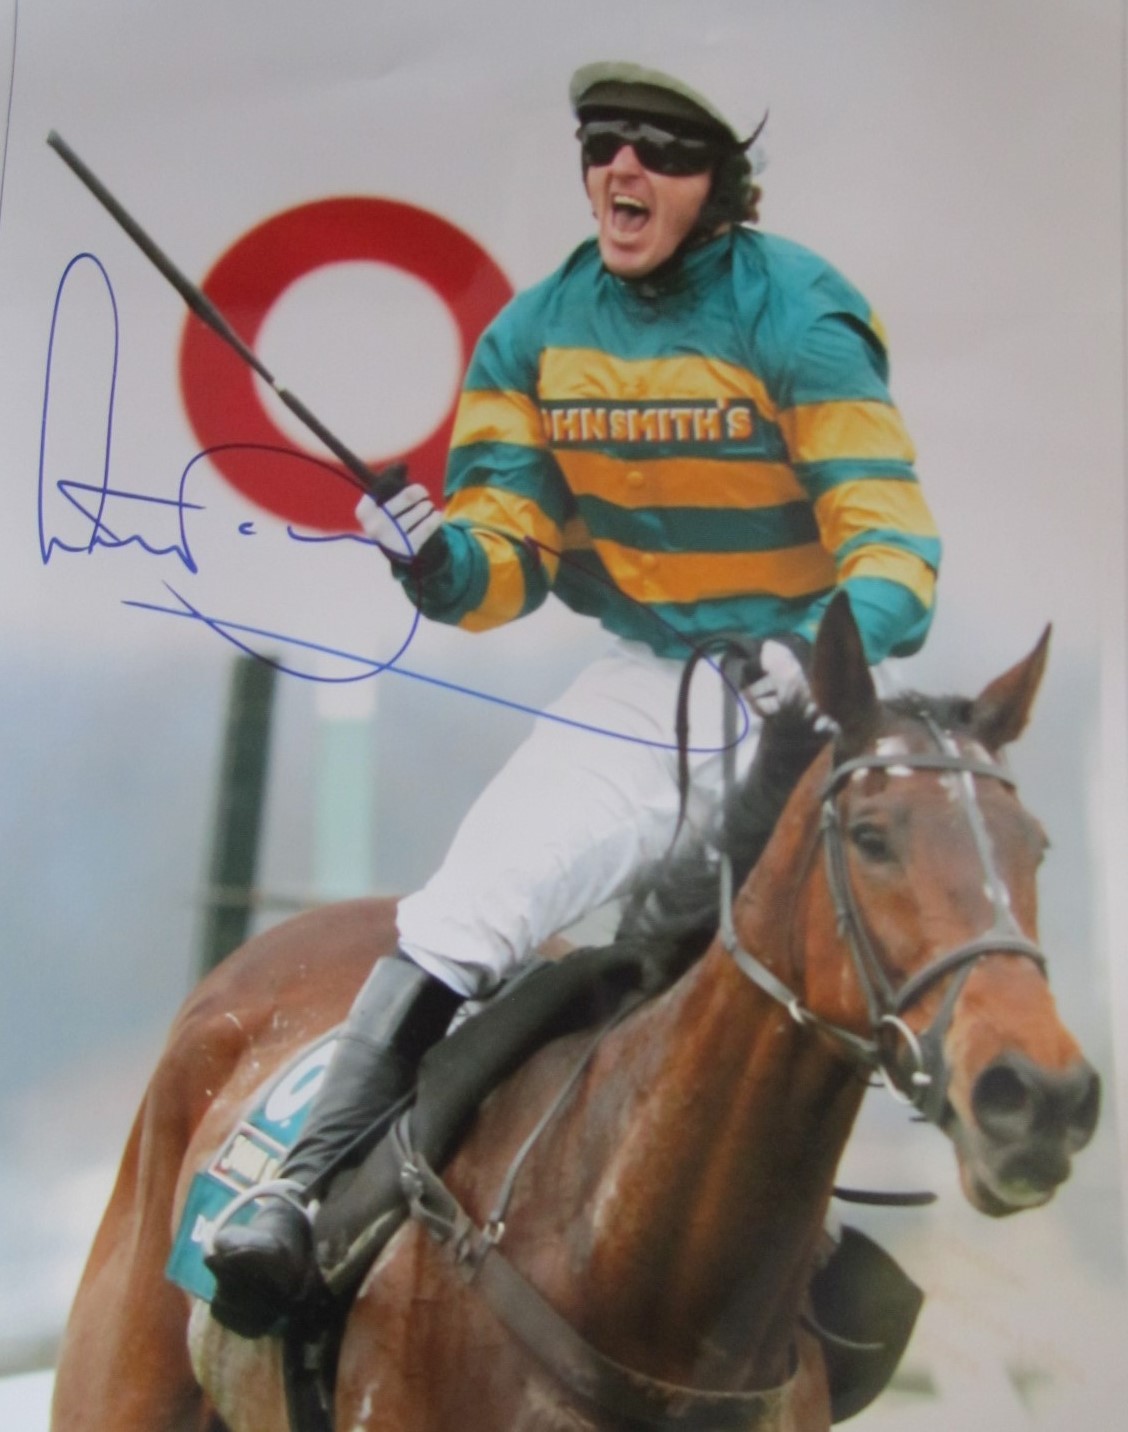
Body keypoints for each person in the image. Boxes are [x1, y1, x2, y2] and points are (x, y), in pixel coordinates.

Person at [206, 59, 941, 1335]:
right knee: (472, 902)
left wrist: (816, 653)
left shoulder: (804, 312)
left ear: (720, 184)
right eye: (603, 143)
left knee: (782, 961)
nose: (622, 168)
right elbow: (511, 553)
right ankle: (301, 1192)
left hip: (799, 694)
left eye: (658, 148)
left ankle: (816, 1262)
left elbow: (895, 552)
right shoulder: (534, 333)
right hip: (645, 680)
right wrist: (440, 564)